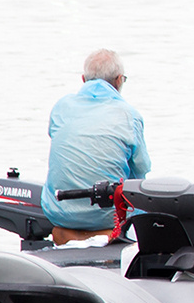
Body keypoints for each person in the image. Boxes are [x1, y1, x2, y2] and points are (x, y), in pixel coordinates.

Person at [42, 49, 152, 245]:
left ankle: (73, 233)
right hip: (110, 217)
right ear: (119, 80)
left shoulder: (61, 107)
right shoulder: (129, 115)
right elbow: (141, 168)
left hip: (60, 213)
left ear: (83, 79)